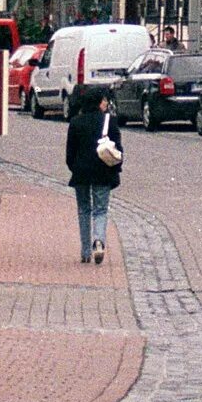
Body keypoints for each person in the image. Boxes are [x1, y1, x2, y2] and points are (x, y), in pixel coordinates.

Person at [64, 82, 124, 265]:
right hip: (102, 172)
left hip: (81, 172)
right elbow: (119, 151)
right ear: (99, 102)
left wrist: (75, 168)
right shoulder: (109, 122)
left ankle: (84, 252)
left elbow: (69, 154)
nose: (106, 103)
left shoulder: (75, 122)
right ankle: (98, 241)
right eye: (104, 100)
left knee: (83, 210)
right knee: (100, 210)